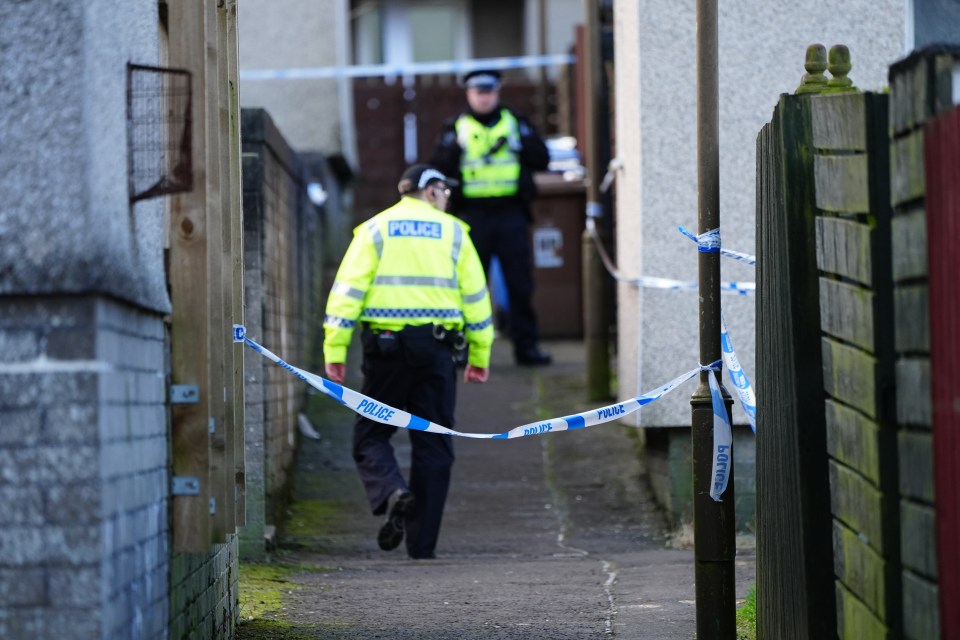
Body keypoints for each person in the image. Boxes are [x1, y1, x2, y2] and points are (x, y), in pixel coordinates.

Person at [322, 164, 494, 560]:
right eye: (445, 190)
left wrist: (335, 350)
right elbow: (476, 298)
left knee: (371, 434)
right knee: (434, 442)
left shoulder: (374, 230)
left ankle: (391, 490)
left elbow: (346, 293)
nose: (447, 197)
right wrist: (479, 355)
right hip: (437, 350)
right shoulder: (454, 232)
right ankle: (422, 545)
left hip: (386, 349)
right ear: (431, 190)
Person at [430, 68, 553, 366]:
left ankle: (526, 349)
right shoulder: (455, 127)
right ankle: (462, 351)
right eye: (478, 92)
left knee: (520, 285)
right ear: (469, 94)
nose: (484, 98)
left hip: (511, 213)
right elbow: (437, 168)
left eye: (488, 92)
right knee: (469, 286)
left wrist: (522, 143)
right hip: (473, 216)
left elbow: (542, 159)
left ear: (497, 93)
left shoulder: (516, 123)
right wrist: (453, 149)